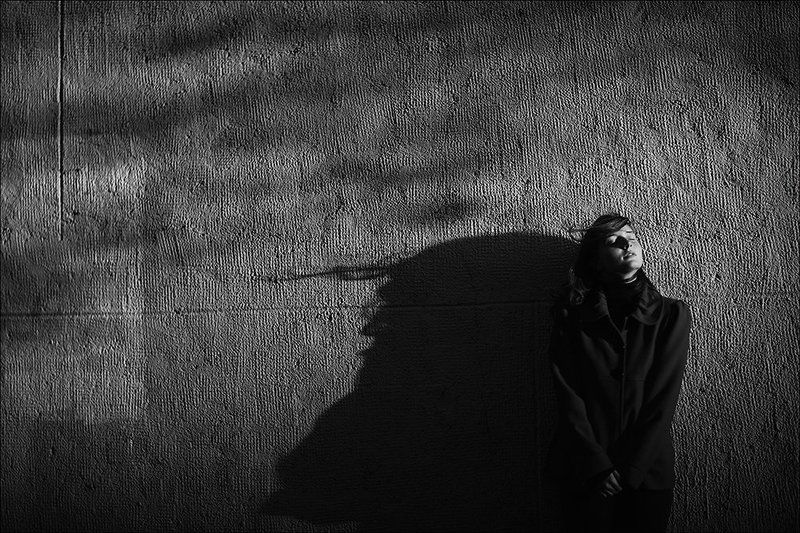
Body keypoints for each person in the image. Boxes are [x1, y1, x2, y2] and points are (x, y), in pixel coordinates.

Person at [548, 213, 691, 532]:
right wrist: (596, 466)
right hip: (584, 472)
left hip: (648, 474)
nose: (628, 243)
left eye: (632, 237)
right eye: (614, 241)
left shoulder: (671, 315)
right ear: (596, 262)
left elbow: (663, 399)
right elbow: (568, 396)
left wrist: (633, 468)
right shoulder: (571, 318)